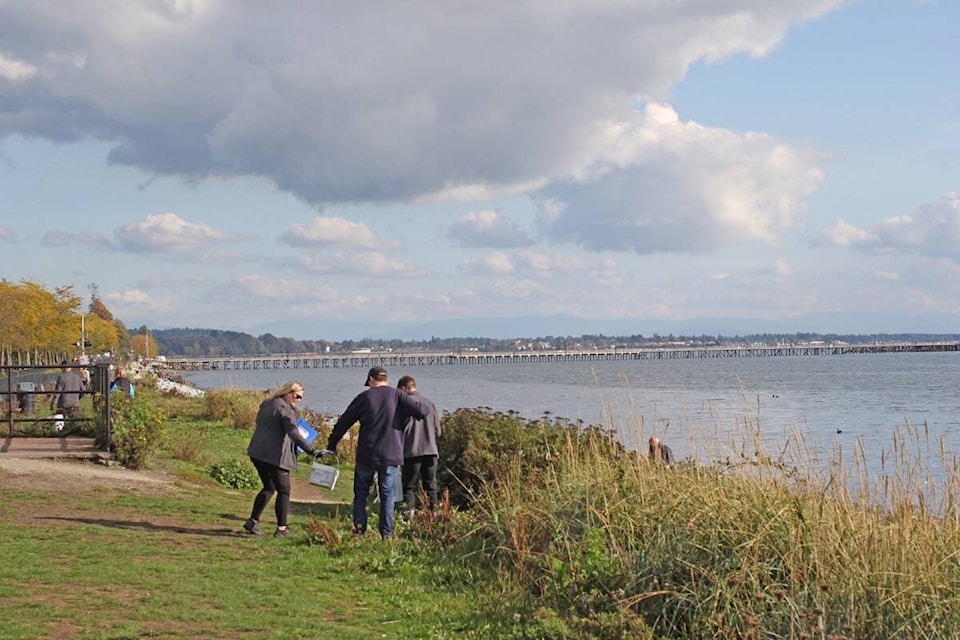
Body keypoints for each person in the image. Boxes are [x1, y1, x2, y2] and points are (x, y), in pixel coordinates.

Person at [324, 366, 429, 539]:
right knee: (387, 495)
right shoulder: (398, 395)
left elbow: (344, 421)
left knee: (361, 493)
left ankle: (359, 529)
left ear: (371, 379)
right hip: (391, 454)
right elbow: (422, 412)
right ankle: (386, 535)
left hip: (367, 453)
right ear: (386, 380)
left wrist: (332, 444)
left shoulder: (365, 397)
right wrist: (401, 417)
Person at [244, 381, 319, 538]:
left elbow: (262, 423)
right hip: (274, 456)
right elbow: (293, 432)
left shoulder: (267, 403)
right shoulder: (285, 410)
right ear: (288, 392)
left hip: (257, 452)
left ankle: (253, 521)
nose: (298, 400)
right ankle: (282, 529)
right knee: (284, 490)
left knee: (269, 487)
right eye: (297, 396)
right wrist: (311, 450)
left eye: (301, 398)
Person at [397, 375, 441, 516]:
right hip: (431, 450)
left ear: (404, 388)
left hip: (411, 451)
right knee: (431, 485)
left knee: (409, 486)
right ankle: (434, 514)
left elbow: (398, 429)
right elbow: (437, 431)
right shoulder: (430, 403)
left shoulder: (403, 404)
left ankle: (409, 515)